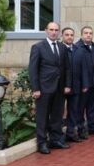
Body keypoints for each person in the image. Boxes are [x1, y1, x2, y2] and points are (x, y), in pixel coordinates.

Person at [28, 22, 71, 154]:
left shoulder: (62, 47)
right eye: (51, 30)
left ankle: (56, 139)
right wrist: (36, 88)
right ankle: (42, 143)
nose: (54, 32)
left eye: (56, 30)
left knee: (57, 115)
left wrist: (67, 85)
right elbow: (33, 69)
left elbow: (67, 68)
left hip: (59, 88)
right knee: (42, 117)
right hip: (44, 88)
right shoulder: (38, 47)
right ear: (46, 31)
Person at [75, 26, 94, 136]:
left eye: (90, 33)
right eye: (86, 33)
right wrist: (83, 84)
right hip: (83, 85)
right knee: (80, 108)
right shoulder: (77, 47)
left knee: (92, 108)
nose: (88, 35)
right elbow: (77, 68)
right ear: (82, 34)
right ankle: (81, 129)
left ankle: (92, 127)